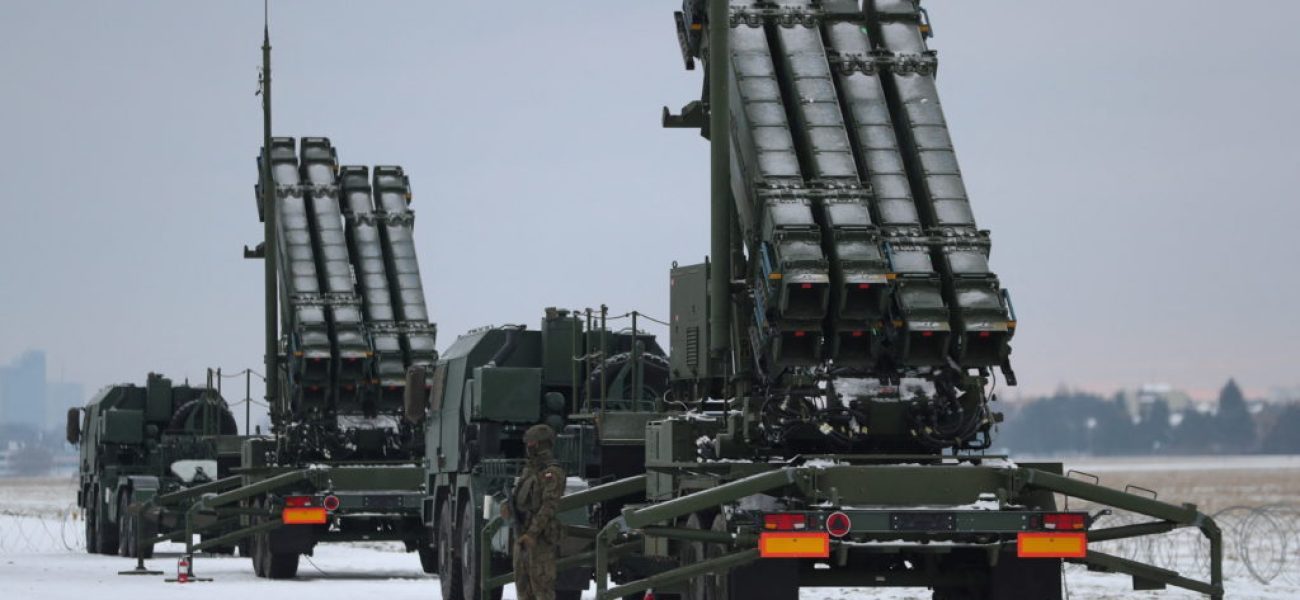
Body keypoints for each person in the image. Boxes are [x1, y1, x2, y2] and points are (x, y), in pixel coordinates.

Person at [509, 424, 566, 600]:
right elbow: (519, 497)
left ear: (542, 444)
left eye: (532, 443)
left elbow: (549, 506)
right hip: (522, 536)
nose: (529, 447)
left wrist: (532, 534)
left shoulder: (552, 472)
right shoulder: (529, 470)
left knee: (541, 589)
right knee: (523, 588)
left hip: (539, 540)